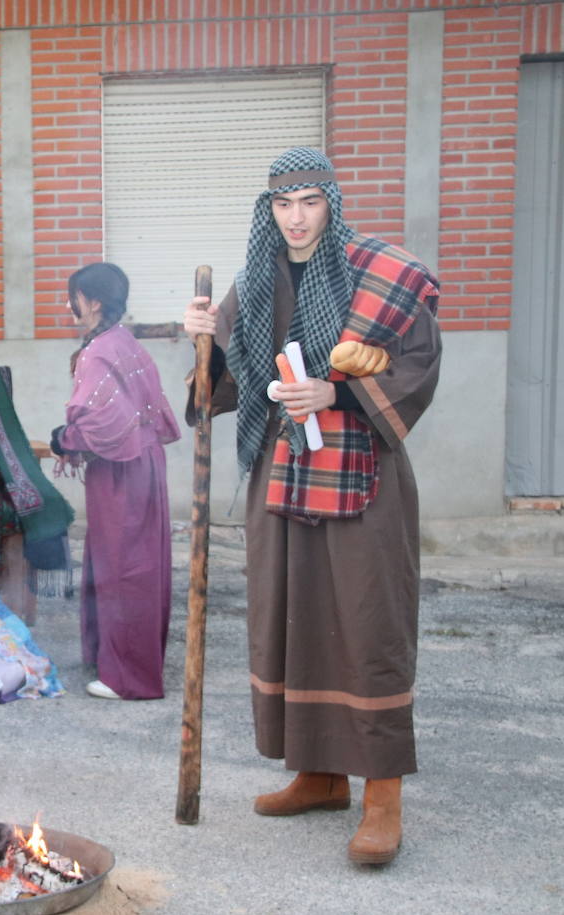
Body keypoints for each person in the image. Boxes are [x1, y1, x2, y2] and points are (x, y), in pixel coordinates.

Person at [182, 147, 441, 866]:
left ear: (332, 201)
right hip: (281, 473)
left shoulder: (380, 273)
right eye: (282, 205)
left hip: (363, 474)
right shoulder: (256, 280)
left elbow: (417, 361)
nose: (296, 219)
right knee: (292, 618)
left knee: (367, 620)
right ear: (268, 211)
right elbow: (216, 391)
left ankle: (381, 796)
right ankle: (320, 775)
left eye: (310, 202)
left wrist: (336, 391)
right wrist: (203, 342)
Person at [50, 262, 180, 701]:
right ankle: (119, 661)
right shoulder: (123, 341)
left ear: (93, 301)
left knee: (124, 568)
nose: (70, 304)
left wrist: (64, 439)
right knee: (134, 564)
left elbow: (103, 425)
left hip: (120, 472)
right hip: (141, 465)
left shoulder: (99, 350)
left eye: (74, 297)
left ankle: (127, 679)